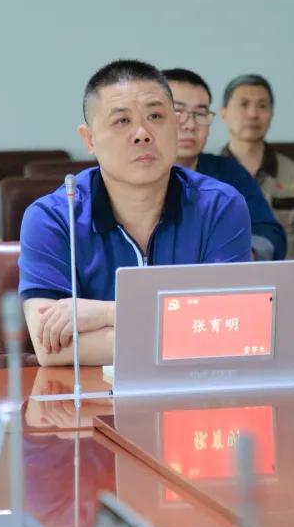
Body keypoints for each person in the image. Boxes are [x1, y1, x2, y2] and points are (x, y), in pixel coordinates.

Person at [20, 60, 251, 367]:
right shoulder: (52, 218)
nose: (142, 133)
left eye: (155, 116)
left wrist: (106, 313)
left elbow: (229, 328)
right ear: (89, 139)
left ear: (175, 126)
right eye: (122, 121)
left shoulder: (220, 206)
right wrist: (187, 329)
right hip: (90, 393)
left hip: (196, 387)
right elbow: (52, 348)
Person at [162, 68, 287, 260]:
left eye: (200, 113)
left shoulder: (229, 173)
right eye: (178, 111)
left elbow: (269, 232)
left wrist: (246, 253)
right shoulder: (129, 176)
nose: (191, 125)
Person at [220, 74, 294, 259]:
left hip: (288, 273)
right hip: (227, 274)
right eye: (243, 104)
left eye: (262, 106)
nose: (253, 114)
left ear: (272, 114)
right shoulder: (207, 174)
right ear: (224, 113)